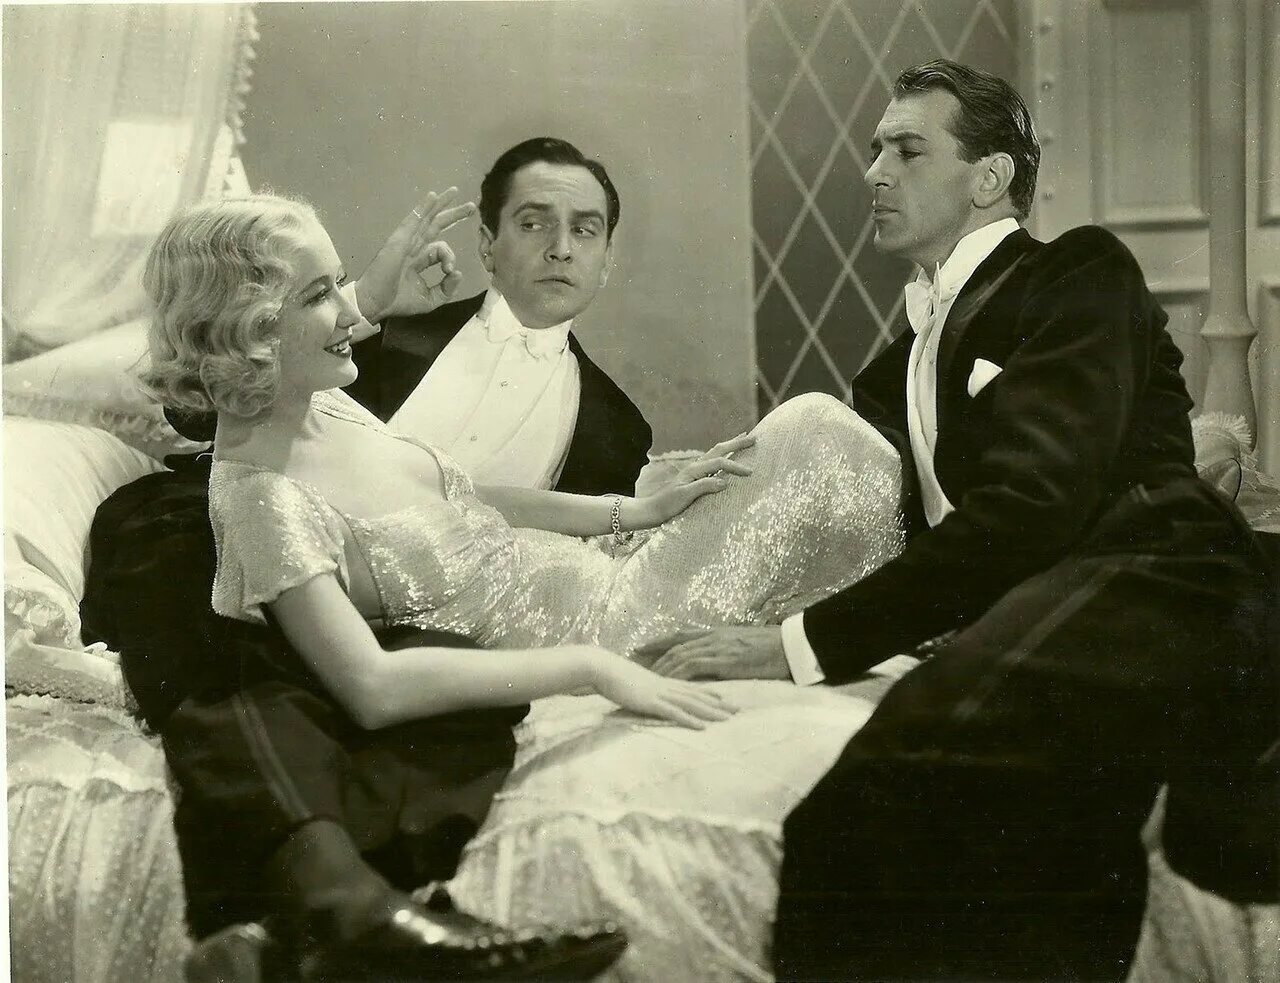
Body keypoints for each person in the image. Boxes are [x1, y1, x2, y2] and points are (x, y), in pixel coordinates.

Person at [138, 191, 910, 979]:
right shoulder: (261, 499)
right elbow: (371, 686)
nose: (350, 309)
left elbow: (464, 496)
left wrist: (629, 510)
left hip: (611, 575)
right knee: (817, 436)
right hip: (612, 630)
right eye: (318, 295)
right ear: (252, 331)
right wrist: (592, 667)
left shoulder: (320, 402)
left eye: (337, 282)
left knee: (809, 434)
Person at [645, 59, 1277, 980]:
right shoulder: (908, 350)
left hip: (1160, 579)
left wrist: (792, 644)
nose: (873, 172)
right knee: (930, 815)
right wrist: (662, 499)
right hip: (1050, 606)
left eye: (906, 150)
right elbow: (837, 474)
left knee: (890, 789)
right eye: (874, 150)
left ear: (991, 178)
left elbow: (1031, 509)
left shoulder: (1078, 271)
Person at [345, 136, 651, 495]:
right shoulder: (379, 332)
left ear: (606, 262)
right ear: (487, 246)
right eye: (533, 224)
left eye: (583, 230)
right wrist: (365, 303)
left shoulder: (621, 428)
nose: (562, 250)